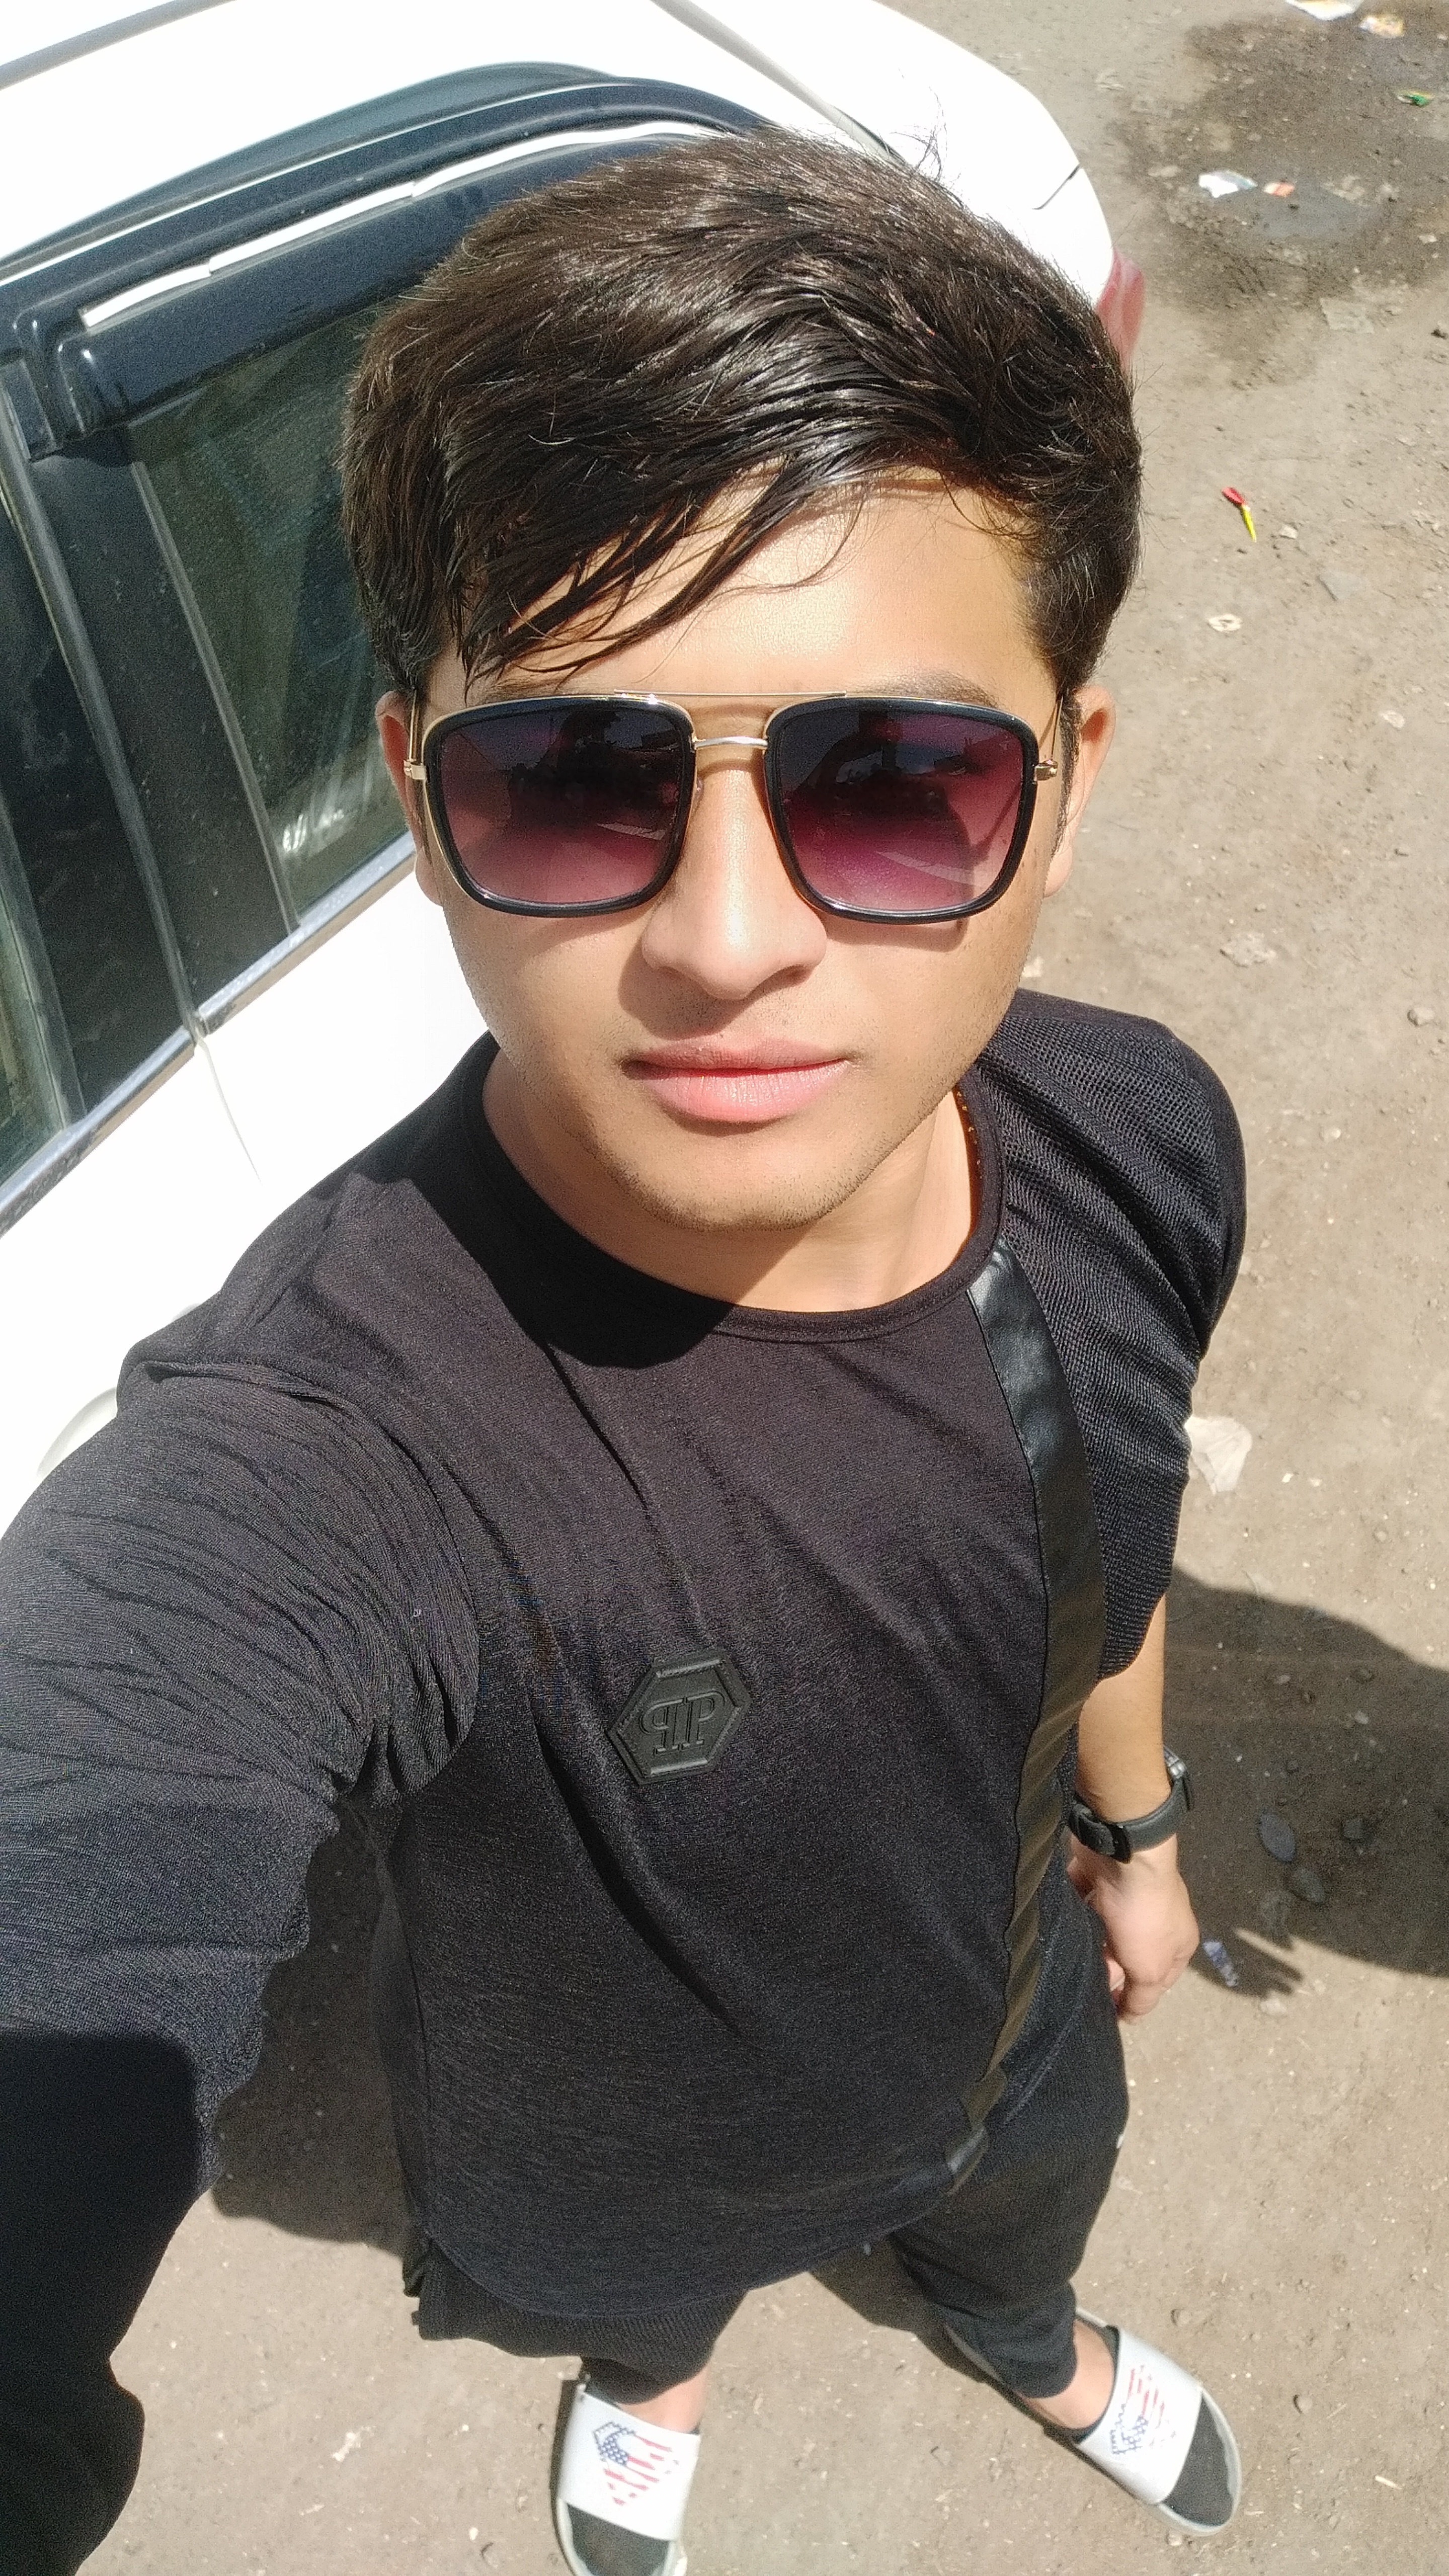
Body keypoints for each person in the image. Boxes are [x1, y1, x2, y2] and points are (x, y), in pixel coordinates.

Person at [0, 131, 1247, 2576]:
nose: (723, 939)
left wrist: (1140, 1831)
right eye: (573, 781)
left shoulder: (1137, 1143)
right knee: (641, 2309)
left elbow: (1114, 1551)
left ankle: (1028, 2339)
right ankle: (649, 2382)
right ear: (417, 801)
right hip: (608, 2165)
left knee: (1019, 2225)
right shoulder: (316, 1450)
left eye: (895, 779)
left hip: (1007, 2030)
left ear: (1065, 786)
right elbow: (98, 1809)